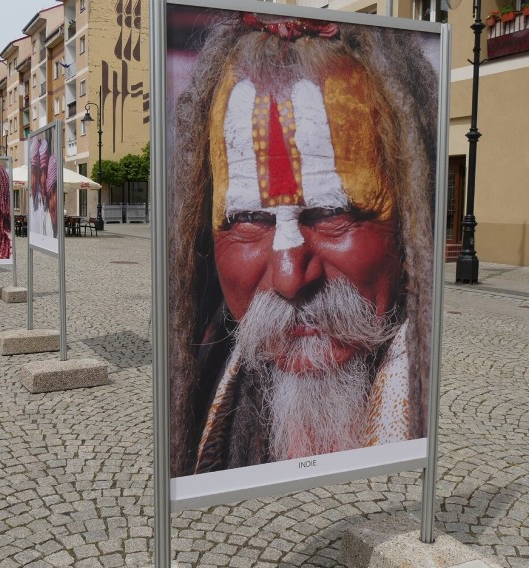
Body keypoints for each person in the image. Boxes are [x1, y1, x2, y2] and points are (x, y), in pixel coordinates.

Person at [168, 12, 438, 476]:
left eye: (332, 215)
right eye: (250, 220)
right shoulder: (201, 380)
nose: (290, 276)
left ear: (408, 223)